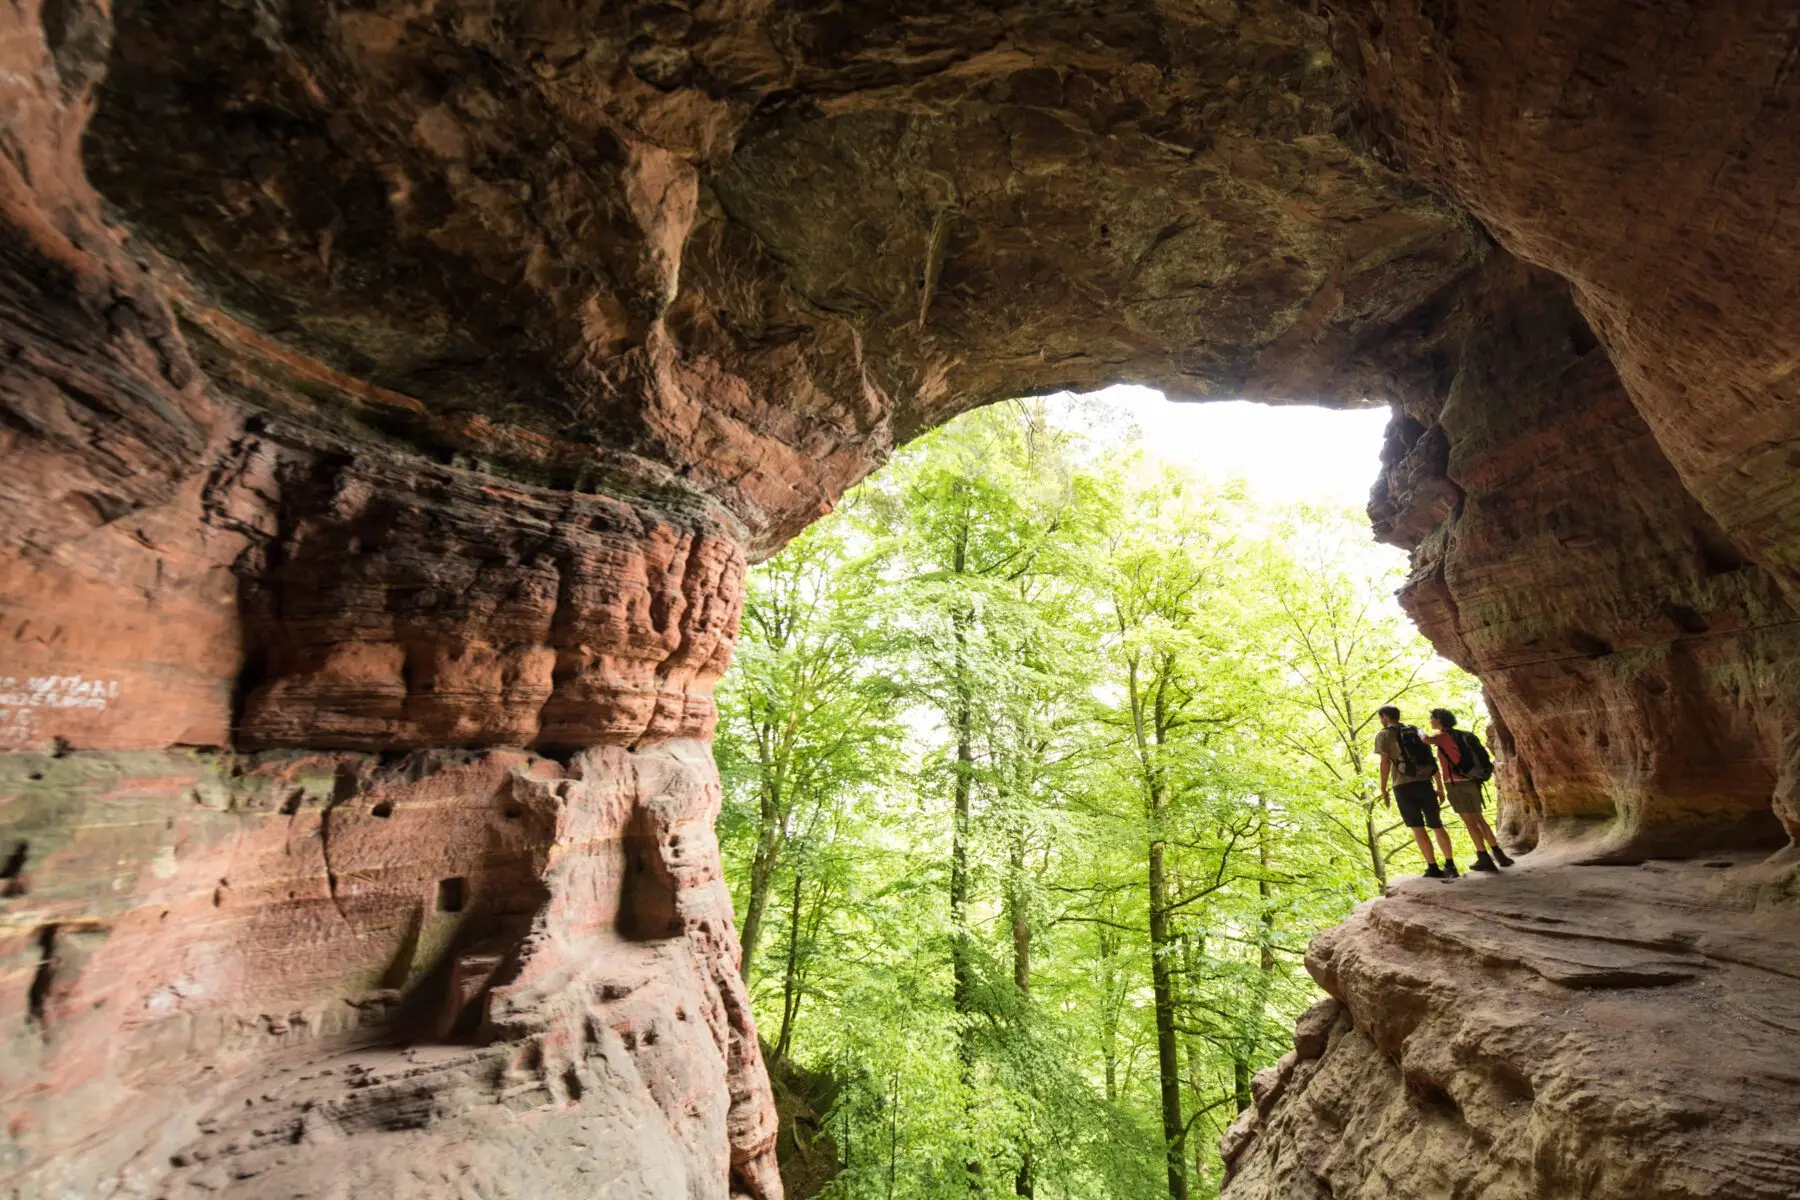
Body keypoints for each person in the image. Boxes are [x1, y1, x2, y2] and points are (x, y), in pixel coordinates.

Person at [1375, 704, 1459, 879]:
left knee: (1418, 827)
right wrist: (1440, 786)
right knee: (1436, 824)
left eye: (1381, 717)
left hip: (1402, 786)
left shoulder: (1383, 735)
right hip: (1425, 783)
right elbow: (1430, 759)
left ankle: (1432, 867)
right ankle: (1450, 865)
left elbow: (1385, 763)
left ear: (1385, 717)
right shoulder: (1415, 731)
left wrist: (1383, 789)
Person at [1427, 708, 1513, 872]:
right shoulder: (1462, 735)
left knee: (1470, 822)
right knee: (1479, 819)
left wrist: (1414, 730)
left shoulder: (1442, 737)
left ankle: (1483, 857)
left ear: (1439, 719)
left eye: (1432, 718)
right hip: (1472, 781)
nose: (1430, 721)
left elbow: (1425, 740)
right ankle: (1499, 854)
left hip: (1456, 784)